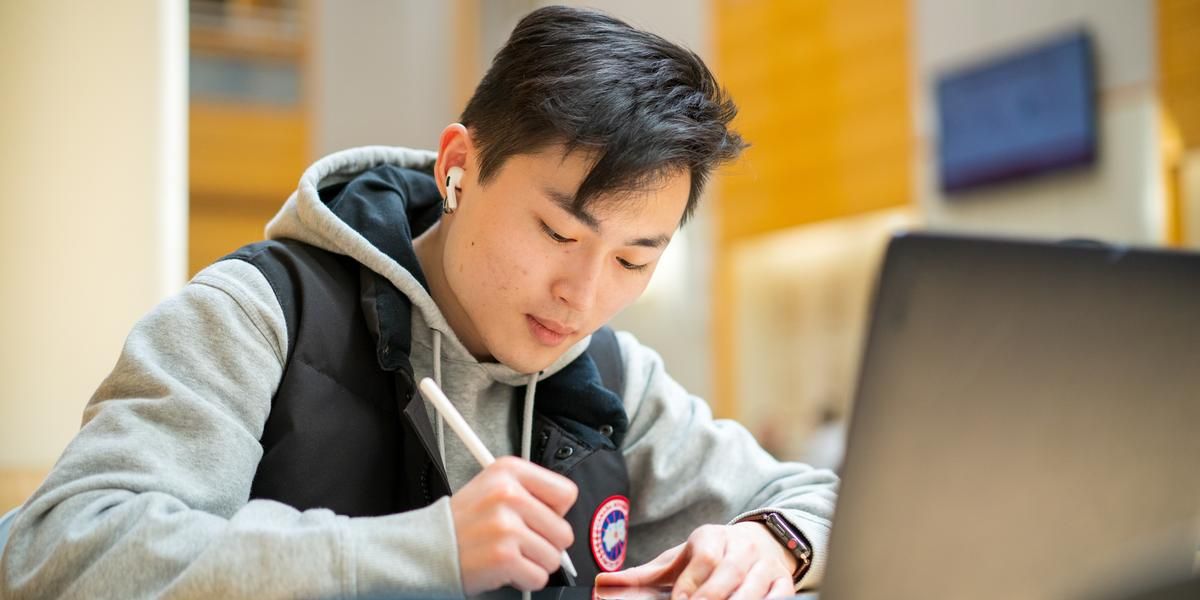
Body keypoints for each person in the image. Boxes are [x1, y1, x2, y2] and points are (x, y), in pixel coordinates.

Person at [0, 6, 837, 599]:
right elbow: (58, 555)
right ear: (457, 168)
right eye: (556, 234)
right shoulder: (260, 315)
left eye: (632, 258)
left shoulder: (611, 373)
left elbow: (829, 498)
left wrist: (775, 543)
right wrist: (424, 550)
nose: (583, 298)